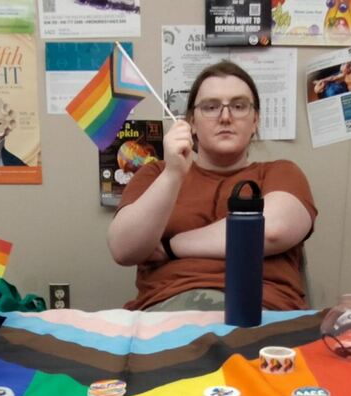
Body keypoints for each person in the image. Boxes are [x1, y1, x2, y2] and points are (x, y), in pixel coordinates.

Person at [107, 61, 317, 311]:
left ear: (255, 121)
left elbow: (272, 230)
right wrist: (173, 174)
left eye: (239, 106)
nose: (225, 117)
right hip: (168, 310)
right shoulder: (156, 174)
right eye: (211, 107)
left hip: (263, 311)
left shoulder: (280, 172)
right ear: (191, 123)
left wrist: (172, 246)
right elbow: (123, 249)